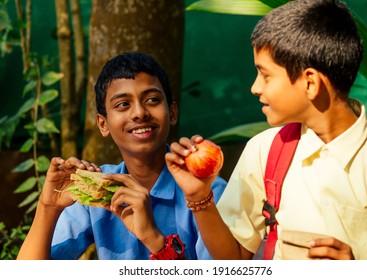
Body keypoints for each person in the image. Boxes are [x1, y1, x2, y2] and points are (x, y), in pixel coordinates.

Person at [165, 0, 367, 260]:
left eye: (266, 75)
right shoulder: (264, 150)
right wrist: (199, 196)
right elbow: (233, 261)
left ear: (310, 82)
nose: (255, 87)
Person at [17, 52, 226, 260]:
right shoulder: (97, 189)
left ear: (172, 112)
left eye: (152, 100)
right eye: (123, 104)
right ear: (103, 124)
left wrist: (154, 239)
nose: (139, 113)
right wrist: (48, 208)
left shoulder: (206, 192)